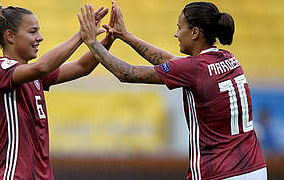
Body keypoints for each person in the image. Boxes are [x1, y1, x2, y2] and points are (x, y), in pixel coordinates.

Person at [78, 1, 267, 180]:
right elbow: (174, 64)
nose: (176, 34)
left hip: (218, 171)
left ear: (194, 32)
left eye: (179, 28)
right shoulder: (228, 58)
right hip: (255, 168)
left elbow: (126, 73)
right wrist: (126, 36)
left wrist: (91, 42)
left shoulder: (195, 68)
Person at [0, 2, 115, 179]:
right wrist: (80, 36)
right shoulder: (0, 70)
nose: (40, 38)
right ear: (10, 36)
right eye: (32, 32)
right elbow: (43, 67)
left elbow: (81, 66)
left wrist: (106, 40)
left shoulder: (33, 75)